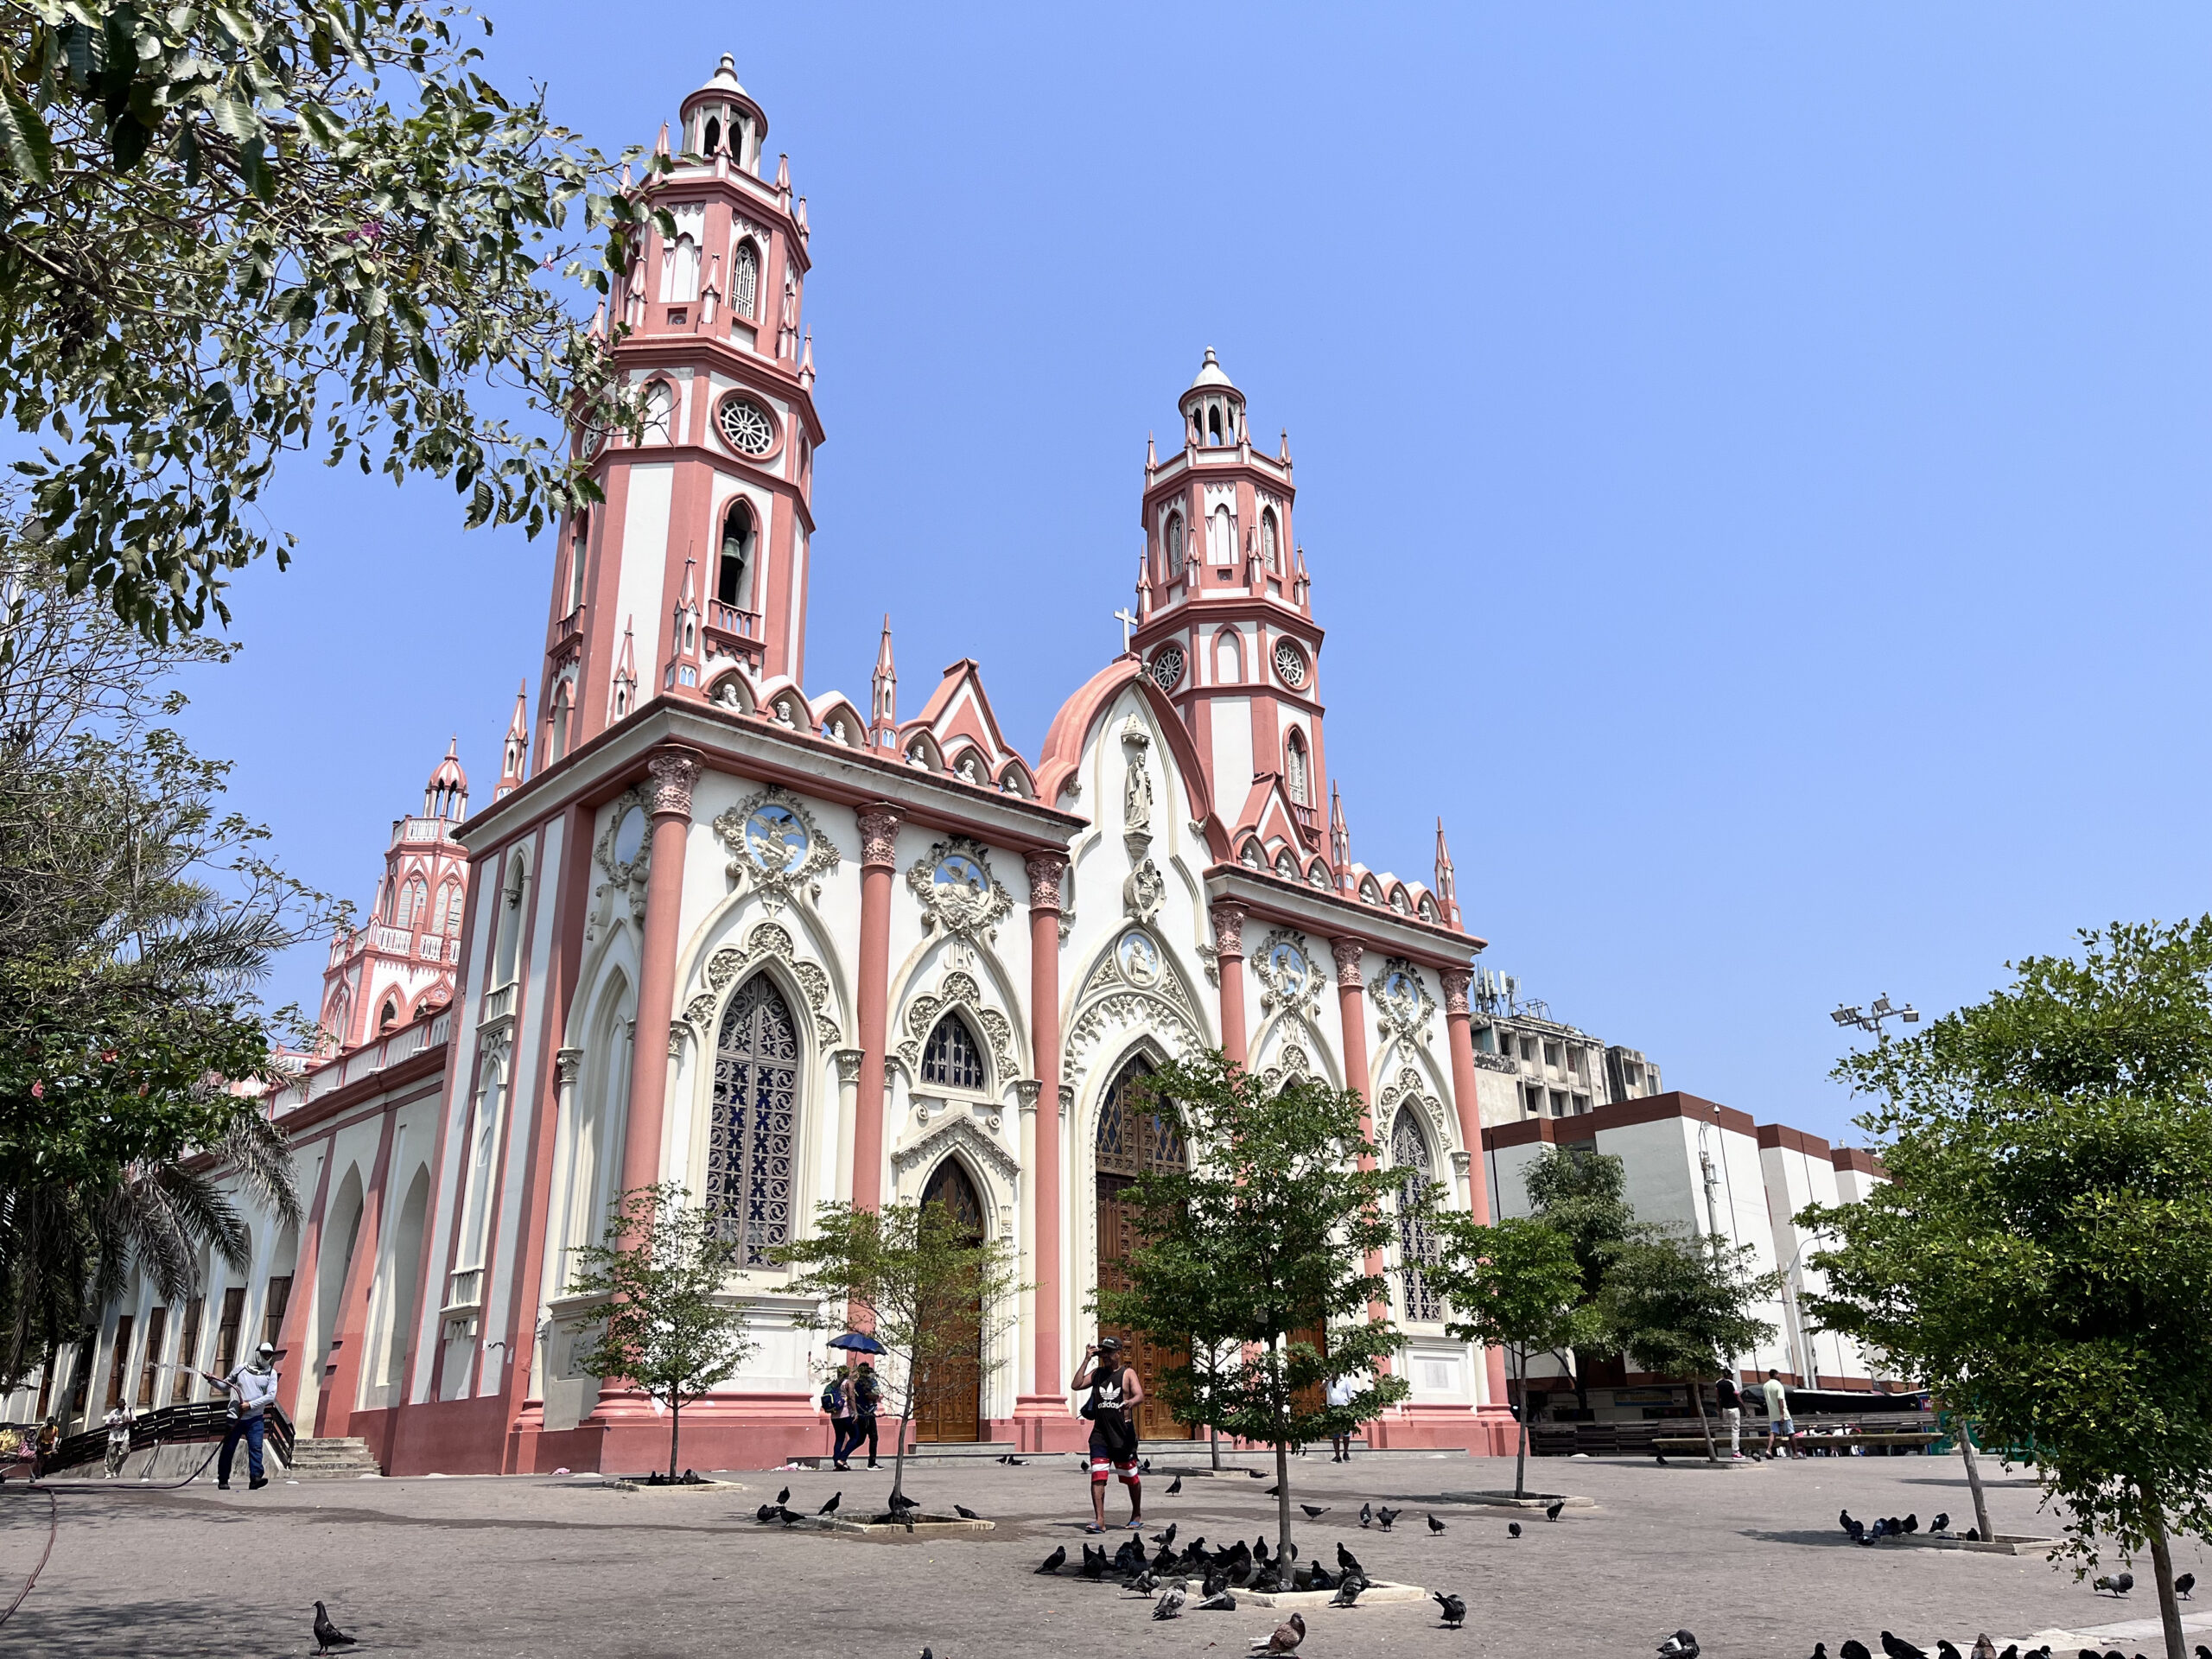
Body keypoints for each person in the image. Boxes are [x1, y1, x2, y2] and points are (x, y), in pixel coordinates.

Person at [1072, 1336, 1143, 1534]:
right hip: (1100, 1434)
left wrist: (1131, 1403)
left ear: (1118, 1353)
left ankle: (1136, 1513)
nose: (1105, 1356)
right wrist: (1086, 1359)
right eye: (1103, 1352)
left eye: (1109, 1352)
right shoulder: (1097, 1374)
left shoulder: (1127, 1374)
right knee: (1098, 1475)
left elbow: (1140, 1395)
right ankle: (1100, 1520)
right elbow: (1076, 1385)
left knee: (1130, 1476)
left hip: (1123, 1435)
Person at [206, 1340, 280, 1491]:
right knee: (229, 1448)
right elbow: (225, 1385)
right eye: (264, 1354)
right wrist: (212, 1380)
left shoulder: (271, 1373)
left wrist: (250, 1405)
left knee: (256, 1448)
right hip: (235, 1417)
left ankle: (256, 1478)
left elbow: (271, 1396)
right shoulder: (241, 1369)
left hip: (255, 1418)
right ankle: (223, 1479)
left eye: (269, 1355)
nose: (267, 1358)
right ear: (258, 1354)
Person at [850, 1361, 881, 1469]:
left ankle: (842, 1456)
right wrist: (875, 1396)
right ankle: (872, 1463)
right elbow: (870, 1396)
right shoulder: (866, 1383)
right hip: (867, 1414)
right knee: (873, 1438)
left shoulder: (856, 1383)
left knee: (860, 1439)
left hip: (861, 1413)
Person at [825, 1369, 857, 1471]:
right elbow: (851, 1397)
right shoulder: (848, 1383)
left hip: (835, 1416)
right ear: (848, 1373)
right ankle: (842, 1459)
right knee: (856, 1436)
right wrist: (855, 1412)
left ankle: (836, 1464)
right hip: (845, 1414)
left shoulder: (834, 1384)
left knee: (839, 1439)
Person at [1762, 1369, 1794, 1458]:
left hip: (1772, 1414)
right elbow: (1780, 1400)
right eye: (1778, 1374)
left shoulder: (1766, 1386)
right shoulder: (1778, 1385)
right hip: (1782, 1413)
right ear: (1775, 1375)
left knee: (1773, 1432)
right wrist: (1782, 1414)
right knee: (1791, 1432)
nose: (1779, 1376)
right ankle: (1795, 1453)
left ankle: (1768, 1449)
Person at [1325, 1374, 1356, 1462]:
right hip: (1333, 1410)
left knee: (1346, 1433)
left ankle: (1345, 1453)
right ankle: (1337, 1456)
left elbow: (1351, 1395)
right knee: (1335, 1435)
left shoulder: (1345, 1380)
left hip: (1344, 1410)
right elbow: (1320, 1389)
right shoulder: (1328, 1380)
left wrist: (1352, 1411)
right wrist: (1328, 1381)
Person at [1714, 1372, 1744, 1459]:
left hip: (1724, 1409)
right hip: (1734, 1408)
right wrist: (1744, 1408)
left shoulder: (1718, 1383)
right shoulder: (1732, 1383)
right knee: (1735, 1430)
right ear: (1729, 1375)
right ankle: (1735, 1451)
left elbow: (1717, 1398)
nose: (1733, 1376)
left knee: (1728, 1428)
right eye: (1732, 1374)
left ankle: (1727, 1451)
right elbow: (1738, 1397)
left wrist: (1719, 1411)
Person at [104, 1402, 135, 1478]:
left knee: (125, 1451)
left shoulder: (129, 1411)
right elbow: (106, 1424)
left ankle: (116, 1468)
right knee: (111, 1454)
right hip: (113, 1436)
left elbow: (134, 1421)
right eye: (119, 1407)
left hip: (125, 1435)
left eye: (122, 1407)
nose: (121, 1408)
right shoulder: (113, 1412)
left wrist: (126, 1422)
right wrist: (113, 1424)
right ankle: (108, 1472)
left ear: (125, 1405)